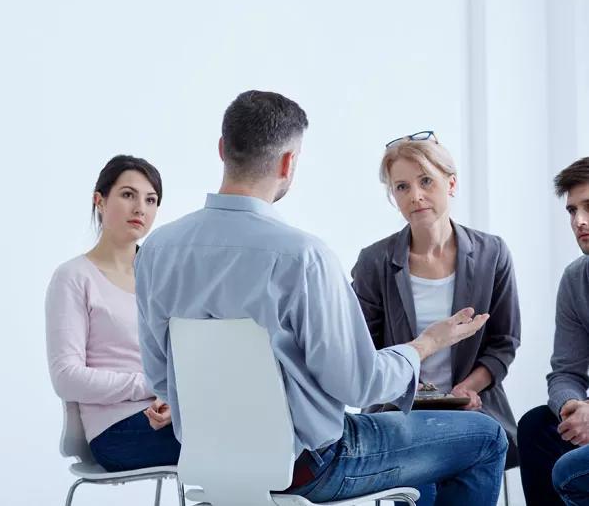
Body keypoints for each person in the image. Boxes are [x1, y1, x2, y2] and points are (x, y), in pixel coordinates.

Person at [135, 91, 507, 505]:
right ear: (288, 162)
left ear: (223, 149)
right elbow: (360, 385)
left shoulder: (156, 251)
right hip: (313, 468)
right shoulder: (302, 257)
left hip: (213, 468)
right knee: (486, 437)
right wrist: (427, 344)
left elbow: (159, 376)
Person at [351, 132, 521, 504]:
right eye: (401, 186)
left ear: (451, 182)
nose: (415, 195)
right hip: (400, 409)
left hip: (474, 406)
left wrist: (469, 388)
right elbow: (364, 351)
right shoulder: (374, 261)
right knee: (418, 465)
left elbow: (504, 342)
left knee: (474, 447)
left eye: (426, 180)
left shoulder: (493, 253)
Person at [45, 155, 180, 472]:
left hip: (172, 415)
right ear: (99, 200)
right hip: (115, 430)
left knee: (245, 435)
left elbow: (183, 358)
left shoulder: (163, 278)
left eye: (151, 200)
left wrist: (173, 401)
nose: (140, 209)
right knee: (238, 444)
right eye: (128, 195)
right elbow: (66, 378)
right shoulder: (74, 277)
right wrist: (150, 386)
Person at [518, 157, 589, 505]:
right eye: (572, 211)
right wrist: (574, 406)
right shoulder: (576, 279)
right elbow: (565, 372)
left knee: (569, 470)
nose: (580, 221)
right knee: (536, 427)